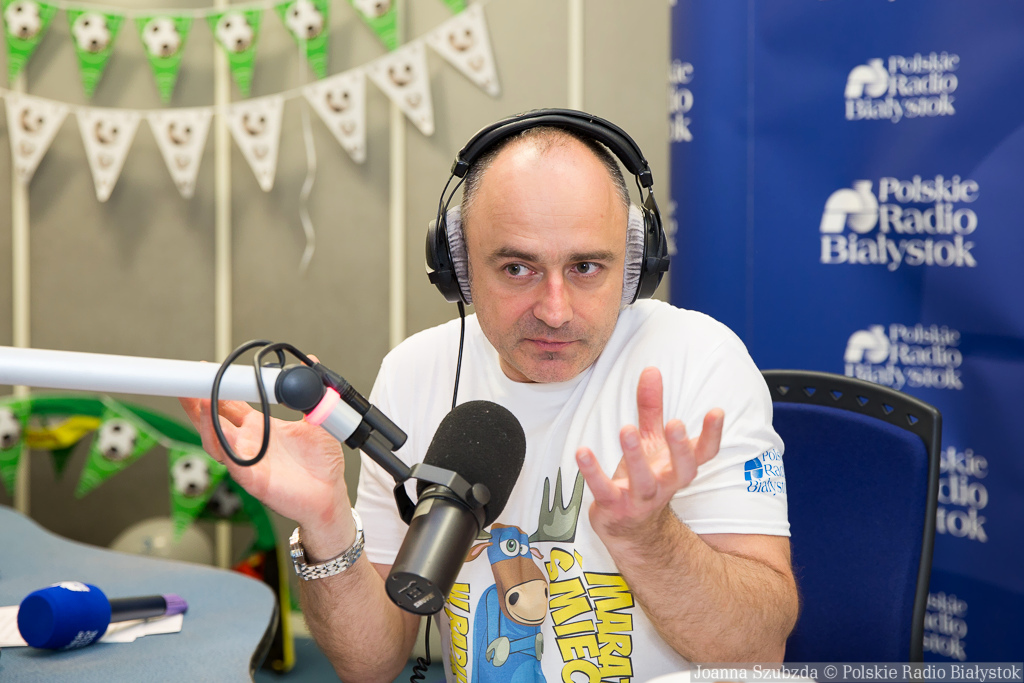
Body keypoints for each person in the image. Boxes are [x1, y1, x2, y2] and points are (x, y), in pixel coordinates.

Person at [181, 112, 799, 682]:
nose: (555, 310)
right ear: (458, 268)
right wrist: (324, 522)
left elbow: (756, 649)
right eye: (517, 269)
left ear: (636, 265)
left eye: (586, 268)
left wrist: (647, 538)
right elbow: (371, 663)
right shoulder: (417, 371)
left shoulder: (698, 361)